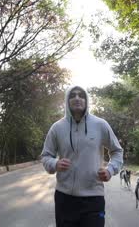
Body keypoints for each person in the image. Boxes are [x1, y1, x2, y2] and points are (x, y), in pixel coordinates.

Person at [41, 85, 123, 227]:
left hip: (93, 198)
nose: (77, 98)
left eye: (81, 95)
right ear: (67, 100)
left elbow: (117, 151)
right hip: (64, 198)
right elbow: (46, 156)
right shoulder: (57, 127)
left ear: (87, 100)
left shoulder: (100, 125)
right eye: (73, 95)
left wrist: (110, 170)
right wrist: (55, 164)